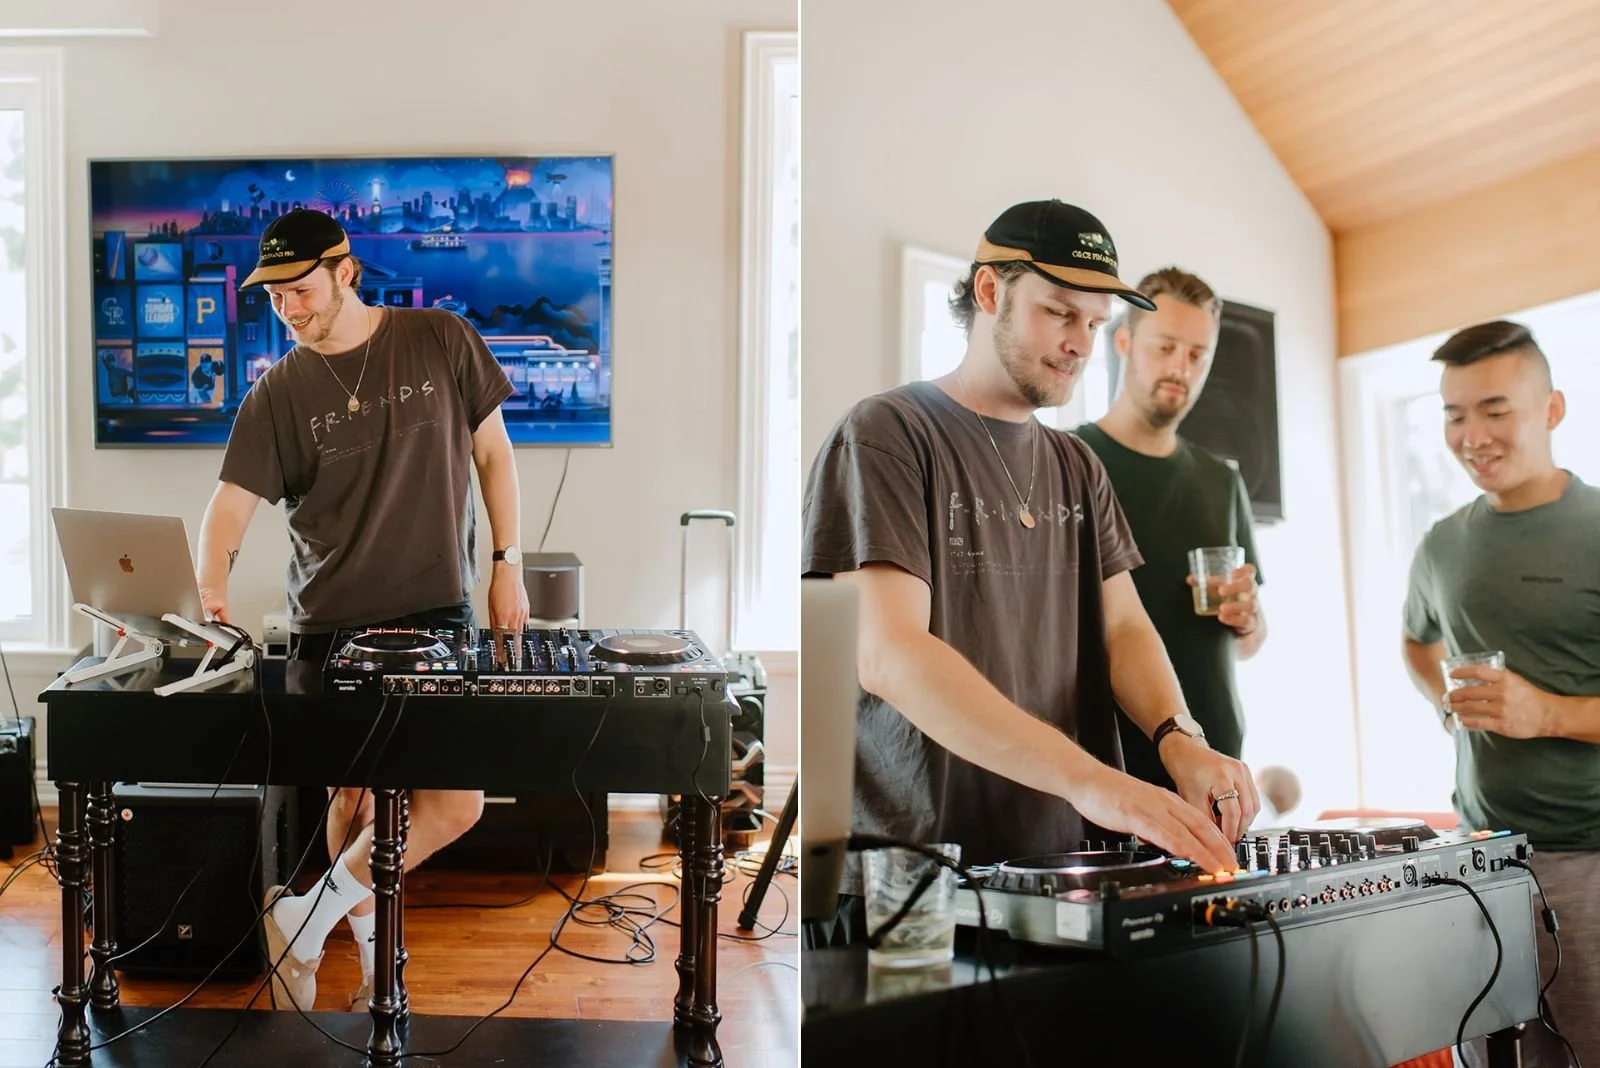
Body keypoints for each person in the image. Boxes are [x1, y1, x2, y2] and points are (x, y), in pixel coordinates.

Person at [801, 199, 1261, 940]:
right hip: (916, 877)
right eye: (1059, 313)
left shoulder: (1076, 466)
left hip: (1066, 867)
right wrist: (1099, 783)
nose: (1082, 343)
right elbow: (891, 654)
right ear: (990, 294)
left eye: (1096, 323)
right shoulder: (886, 432)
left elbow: (1124, 629)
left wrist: (1181, 738)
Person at [195, 208, 531, 1012]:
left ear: (347, 270)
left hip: (437, 610)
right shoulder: (276, 393)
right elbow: (228, 510)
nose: (289, 310)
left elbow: (494, 452)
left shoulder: (441, 339)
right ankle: (380, 977)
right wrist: (211, 590)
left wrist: (506, 566)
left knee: (455, 801)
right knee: (353, 804)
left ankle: (303, 922)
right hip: (331, 623)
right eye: (274, 297)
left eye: (301, 290)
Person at [1400, 319, 1600, 1067]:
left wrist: (1542, 712)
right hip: (1479, 861)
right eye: (1454, 413)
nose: (1470, 434)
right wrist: (1443, 703)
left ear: (1551, 410)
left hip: (1589, 859)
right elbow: (1416, 641)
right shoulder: (1443, 544)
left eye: (1494, 409)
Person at [1074, 267, 1266, 792]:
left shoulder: (1222, 480)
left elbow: (1247, 641)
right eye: (1165, 347)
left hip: (1218, 764)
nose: (1180, 368)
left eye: (1197, 355)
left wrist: (1248, 621)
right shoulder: (1067, 461)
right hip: (1105, 768)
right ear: (1123, 341)